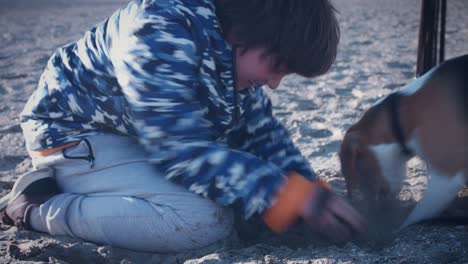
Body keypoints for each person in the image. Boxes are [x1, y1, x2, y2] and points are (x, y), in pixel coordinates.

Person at [0, 0, 365, 252]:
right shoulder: (159, 28)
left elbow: (261, 133)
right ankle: (36, 205)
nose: (275, 84)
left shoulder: (231, 48)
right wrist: (290, 197)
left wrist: (311, 190)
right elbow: (177, 150)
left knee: (254, 193)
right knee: (200, 221)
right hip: (75, 134)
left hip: (133, 133)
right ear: (247, 34)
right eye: (277, 66)